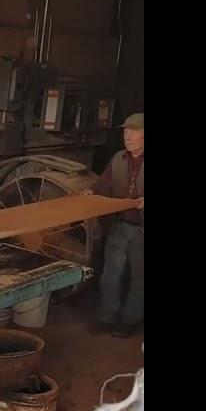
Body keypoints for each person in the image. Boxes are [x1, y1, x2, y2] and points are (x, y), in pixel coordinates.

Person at [82, 113, 144, 338]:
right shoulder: (118, 158)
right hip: (120, 226)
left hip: (141, 232)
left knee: (140, 280)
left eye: (133, 131)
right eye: (126, 131)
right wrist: (92, 191)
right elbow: (103, 184)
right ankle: (107, 317)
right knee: (110, 276)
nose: (127, 136)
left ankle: (130, 320)